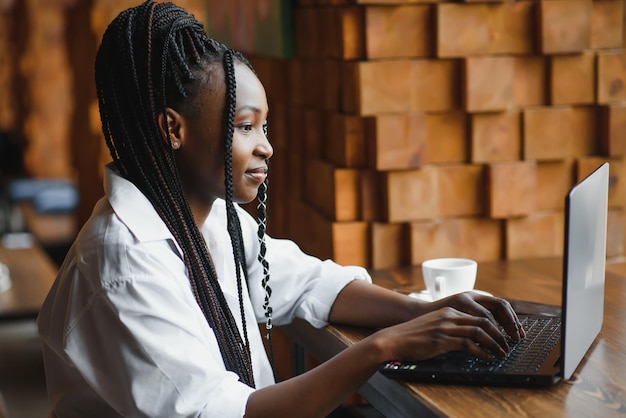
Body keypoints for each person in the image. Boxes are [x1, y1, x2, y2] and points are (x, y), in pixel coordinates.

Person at [37, 1, 526, 417]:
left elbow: (309, 282)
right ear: (172, 129)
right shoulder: (123, 263)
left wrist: (423, 310)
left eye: (264, 128)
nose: (266, 147)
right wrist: (388, 346)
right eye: (245, 127)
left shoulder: (206, 221)